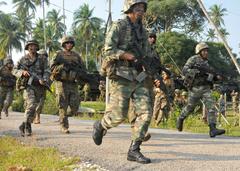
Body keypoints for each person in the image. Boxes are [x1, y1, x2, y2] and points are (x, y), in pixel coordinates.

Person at [92, 0, 161, 164]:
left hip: (139, 76)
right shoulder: (119, 26)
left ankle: (134, 150)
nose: (141, 11)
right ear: (129, 9)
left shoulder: (143, 31)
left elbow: (147, 55)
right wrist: (127, 55)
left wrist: (156, 74)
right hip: (121, 74)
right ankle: (100, 126)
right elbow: (108, 50)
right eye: (138, 8)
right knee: (118, 116)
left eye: (143, 8)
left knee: (146, 112)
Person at [176, 42, 225, 138]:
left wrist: (216, 77)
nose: (206, 52)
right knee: (190, 107)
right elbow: (185, 70)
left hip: (206, 89)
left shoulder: (207, 63)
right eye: (204, 51)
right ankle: (181, 118)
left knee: (211, 108)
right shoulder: (193, 59)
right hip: (195, 88)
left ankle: (212, 129)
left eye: (207, 51)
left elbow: (210, 77)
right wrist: (197, 72)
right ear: (199, 51)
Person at [13, 40, 50, 136]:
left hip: (39, 86)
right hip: (28, 85)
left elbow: (47, 70)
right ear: (27, 48)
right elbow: (14, 70)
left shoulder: (42, 59)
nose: (32, 47)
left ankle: (23, 125)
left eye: (34, 46)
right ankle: (27, 126)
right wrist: (22, 73)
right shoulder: (23, 59)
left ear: (37, 47)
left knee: (33, 108)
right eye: (30, 46)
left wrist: (44, 79)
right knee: (32, 103)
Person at [50, 36, 86, 134]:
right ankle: (64, 126)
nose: (69, 44)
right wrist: (62, 67)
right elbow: (52, 67)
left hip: (73, 82)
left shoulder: (76, 56)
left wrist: (76, 70)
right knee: (62, 105)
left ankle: (64, 117)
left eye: (70, 43)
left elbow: (83, 69)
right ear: (63, 44)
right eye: (67, 43)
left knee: (75, 106)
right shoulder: (59, 55)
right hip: (61, 83)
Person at [33, 49, 49, 124]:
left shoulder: (47, 65)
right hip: (33, 86)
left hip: (43, 87)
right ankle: (32, 115)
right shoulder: (33, 63)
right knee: (32, 102)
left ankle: (37, 116)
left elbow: (50, 75)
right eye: (41, 55)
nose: (43, 57)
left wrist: (46, 81)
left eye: (45, 55)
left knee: (41, 103)